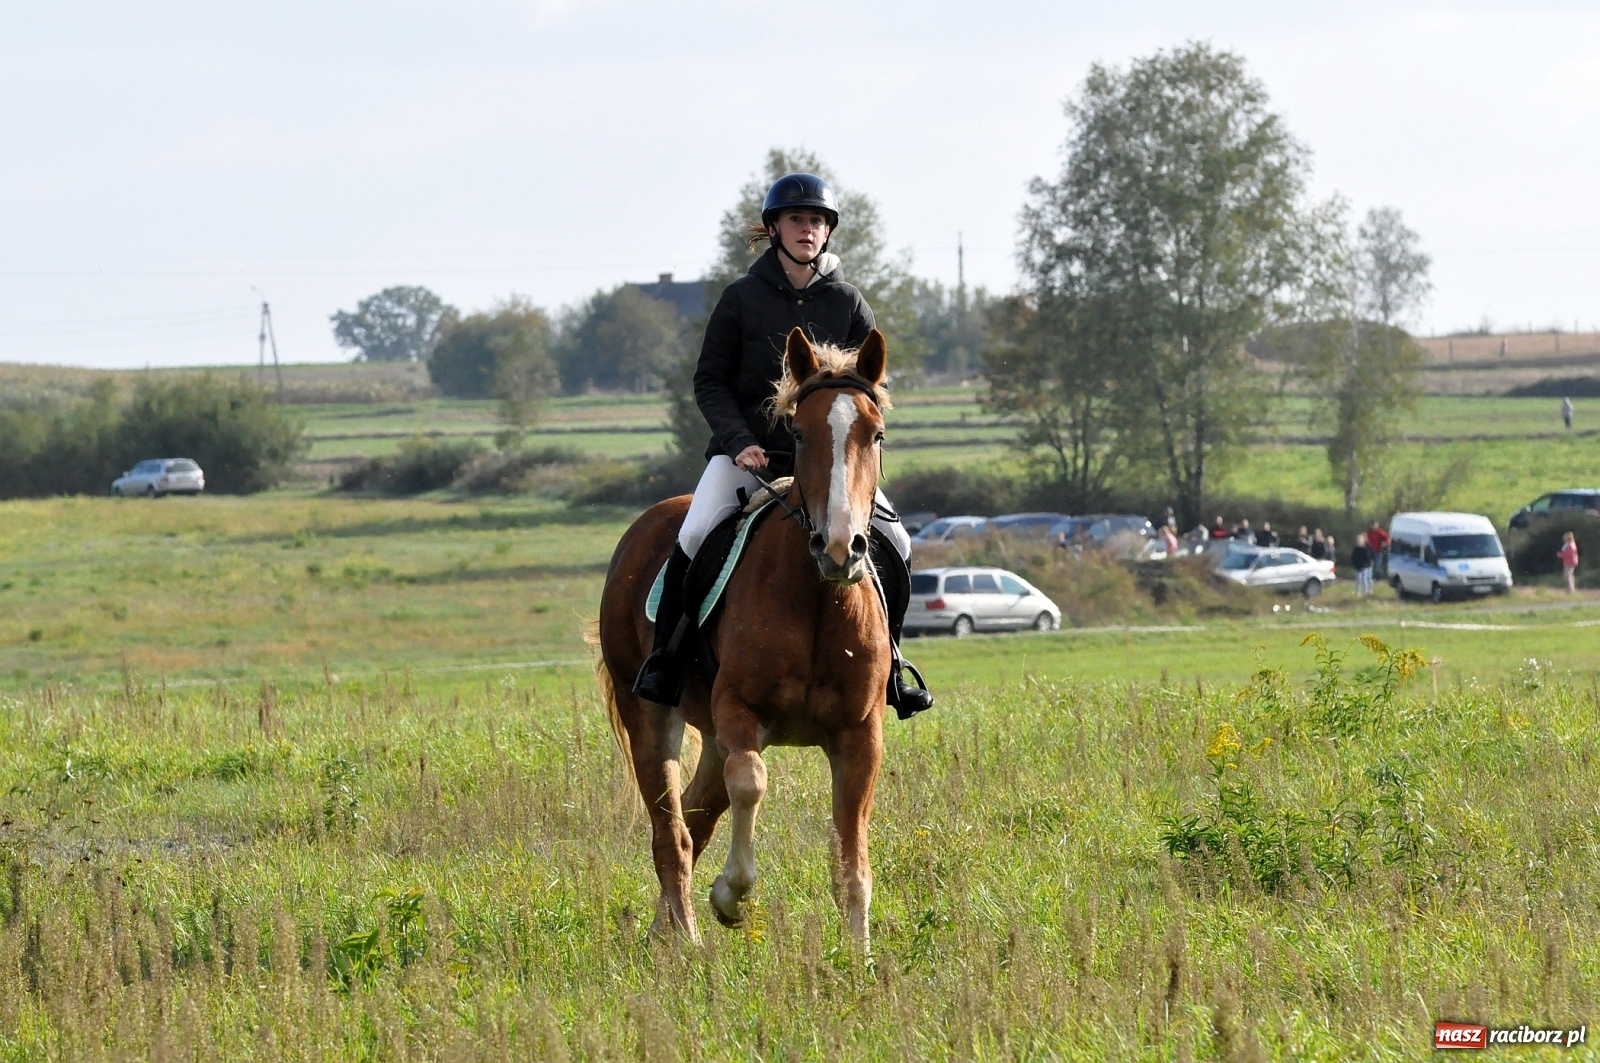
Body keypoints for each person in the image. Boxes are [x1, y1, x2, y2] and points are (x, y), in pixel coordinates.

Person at [632, 172, 933, 717]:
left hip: (831, 465)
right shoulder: (740, 300)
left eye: (817, 221)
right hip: (749, 458)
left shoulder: (849, 303)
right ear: (774, 228)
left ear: (828, 233)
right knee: (697, 532)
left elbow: (869, 391)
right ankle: (665, 661)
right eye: (797, 219)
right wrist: (739, 441)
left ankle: (892, 664)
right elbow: (710, 383)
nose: (808, 229)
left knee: (900, 542)